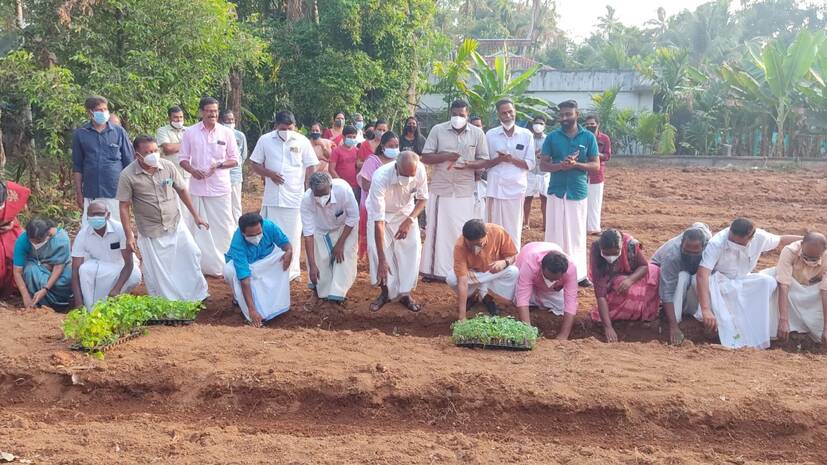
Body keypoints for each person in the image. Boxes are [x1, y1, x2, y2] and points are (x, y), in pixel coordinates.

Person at [117, 135, 209, 302]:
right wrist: (129, 236)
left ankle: (197, 296)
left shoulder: (168, 166)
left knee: (191, 255)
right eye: (148, 152)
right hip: (151, 230)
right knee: (161, 271)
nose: (153, 155)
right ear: (137, 155)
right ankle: (168, 303)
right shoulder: (127, 175)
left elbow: (182, 190)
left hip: (175, 223)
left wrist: (196, 216)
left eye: (155, 150)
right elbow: (124, 206)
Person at [696, 218, 800, 349]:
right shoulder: (717, 243)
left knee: (768, 282)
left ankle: (756, 331)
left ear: (751, 238)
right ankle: (728, 338)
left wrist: (808, 239)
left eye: (738, 242)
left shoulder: (760, 237)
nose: (734, 243)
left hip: (743, 280)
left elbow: (781, 240)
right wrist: (705, 309)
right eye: (732, 240)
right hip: (719, 283)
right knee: (731, 296)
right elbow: (702, 274)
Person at [420, 100, 491, 281]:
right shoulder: (438, 130)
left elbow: (484, 160)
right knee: (438, 232)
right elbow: (425, 157)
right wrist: (446, 156)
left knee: (463, 230)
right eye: (455, 114)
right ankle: (436, 271)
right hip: (442, 189)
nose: (458, 117)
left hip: (465, 190)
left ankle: (463, 269)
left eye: (462, 115)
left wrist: (469, 164)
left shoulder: (477, 133)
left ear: (467, 115)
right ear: (450, 113)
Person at [249, 110, 319, 281]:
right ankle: (272, 268)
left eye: (289, 128)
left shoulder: (302, 141)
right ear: (276, 126)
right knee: (271, 235)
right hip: (273, 197)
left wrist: (309, 188)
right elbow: (255, 163)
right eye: (283, 128)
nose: (286, 131)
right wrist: (269, 174)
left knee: (293, 235)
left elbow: (311, 166)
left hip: (295, 198)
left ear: (295, 126)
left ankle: (291, 271)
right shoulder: (265, 140)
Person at [539, 100, 599, 286]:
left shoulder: (588, 137)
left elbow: (595, 166)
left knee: (577, 235)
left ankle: (579, 274)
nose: (564, 118)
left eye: (568, 114)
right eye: (562, 115)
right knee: (554, 232)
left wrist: (576, 165)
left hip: (577, 191)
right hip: (556, 191)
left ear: (576, 115)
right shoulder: (552, 137)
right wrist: (560, 166)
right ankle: (550, 273)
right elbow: (543, 165)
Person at [178, 97, 239, 277]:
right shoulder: (190, 132)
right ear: (201, 112)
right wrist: (193, 170)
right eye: (209, 111)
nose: (213, 114)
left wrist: (219, 165)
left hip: (220, 188)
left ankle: (226, 266)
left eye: (215, 111)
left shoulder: (226, 133)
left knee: (224, 227)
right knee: (199, 228)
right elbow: (182, 159)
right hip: (197, 188)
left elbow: (235, 160)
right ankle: (203, 266)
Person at [365, 151, 428, 312]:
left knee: (412, 249)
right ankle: (385, 292)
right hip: (381, 214)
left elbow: (422, 199)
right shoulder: (380, 177)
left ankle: (405, 294)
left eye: (411, 175)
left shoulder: (420, 169)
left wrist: (409, 220)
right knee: (376, 251)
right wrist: (382, 259)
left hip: (406, 212)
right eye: (405, 175)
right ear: (396, 167)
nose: (409, 179)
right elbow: (378, 222)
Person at [589, 229, 661, 343]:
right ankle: (621, 314)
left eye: (615, 253)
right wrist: (608, 327)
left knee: (655, 271)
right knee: (620, 283)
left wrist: (630, 280)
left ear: (621, 246)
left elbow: (644, 266)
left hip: (632, 276)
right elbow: (600, 293)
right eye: (606, 254)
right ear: (601, 249)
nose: (611, 257)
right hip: (613, 282)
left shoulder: (630, 245)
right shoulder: (596, 250)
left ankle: (645, 314)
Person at [72, 95, 134, 226]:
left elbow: (129, 162)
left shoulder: (119, 132)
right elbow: (77, 166)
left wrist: (132, 189)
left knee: (117, 226)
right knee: (91, 228)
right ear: (90, 112)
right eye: (99, 110)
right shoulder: (81, 134)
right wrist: (79, 193)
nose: (104, 112)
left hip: (115, 191)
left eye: (105, 109)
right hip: (92, 191)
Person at [224, 213, 293, 327]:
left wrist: (289, 252)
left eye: (259, 233)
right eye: (251, 235)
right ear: (243, 233)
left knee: (282, 257)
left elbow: (286, 245)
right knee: (230, 271)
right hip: (248, 264)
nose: (256, 237)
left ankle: (277, 304)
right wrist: (252, 310)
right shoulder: (238, 242)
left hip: (265, 260)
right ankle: (240, 302)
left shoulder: (269, 226)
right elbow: (244, 279)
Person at [70, 201, 142, 311]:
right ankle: (89, 309)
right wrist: (78, 302)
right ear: (87, 216)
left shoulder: (120, 230)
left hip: (121, 269)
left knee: (134, 275)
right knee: (84, 270)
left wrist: (116, 289)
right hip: (99, 269)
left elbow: (129, 264)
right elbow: (75, 269)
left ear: (108, 215)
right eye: (92, 214)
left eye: (99, 214)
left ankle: (115, 301)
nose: (96, 217)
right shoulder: (83, 235)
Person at [301, 172, 359, 307]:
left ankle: (337, 295)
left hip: (345, 227)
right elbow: (308, 235)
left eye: (324, 194)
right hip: (320, 229)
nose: (321, 198)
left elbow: (353, 217)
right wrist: (312, 264)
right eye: (317, 195)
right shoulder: (307, 200)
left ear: (331, 187)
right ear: (311, 191)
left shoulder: (343, 190)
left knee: (343, 259)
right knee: (318, 262)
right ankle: (317, 293)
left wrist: (340, 244)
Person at [484, 99, 535, 250]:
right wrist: (499, 159)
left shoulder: (526, 135)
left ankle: (513, 258)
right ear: (498, 115)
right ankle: (494, 257)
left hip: (516, 188)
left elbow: (530, 163)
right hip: (495, 188)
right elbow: (485, 162)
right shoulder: (491, 135)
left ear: (515, 112)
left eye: (510, 112)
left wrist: (511, 159)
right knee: (494, 227)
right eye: (504, 113)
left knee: (514, 227)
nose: (507, 115)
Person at [650, 223, 712, 345]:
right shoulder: (672, 255)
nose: (691, 255)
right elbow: (667, 291)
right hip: (669, 280)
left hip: (692, 280)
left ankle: (695, 315)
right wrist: (673, 326)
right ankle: (674, 315)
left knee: (699, 278)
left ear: (703, 247)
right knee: (683, 276)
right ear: (681, 244)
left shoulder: (710, 249)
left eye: (695, 252)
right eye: (686, 251)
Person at [447, 220, 518, 321]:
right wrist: (462, 316)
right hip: (474, 273)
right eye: (471, 245)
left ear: (486, 234)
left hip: (493, 271)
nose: (475, 248)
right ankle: (472, 296)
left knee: (513, 272)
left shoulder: (498, 232)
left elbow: (513, 256)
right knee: (452, 278)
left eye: (479, 244)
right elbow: (462, 282)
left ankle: (488, 296)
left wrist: (504, 262)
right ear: (465, 238)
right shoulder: (460, 246)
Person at [765, 232, 827, 344]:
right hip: (789, 286)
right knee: (769, 282)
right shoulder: (789, 251)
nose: (809, 261)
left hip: (812, 290)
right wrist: (783, 320)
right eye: (806, 256)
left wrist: (826, 328)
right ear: (802, 244)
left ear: (824, 251)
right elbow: (784, 285)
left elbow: (825, 291)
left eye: (814, 259)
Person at [513, 242, 578, 338]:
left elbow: (571, 302)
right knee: (515, 298)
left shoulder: (571, 269)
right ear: (541, 267)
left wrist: (564, 334)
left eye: (555, 279)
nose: (551, 281)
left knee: (562, 305)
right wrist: (527, 331)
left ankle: (536, 302)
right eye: (548, 278)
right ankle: (534, 303)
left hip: (550, 290)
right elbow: (522, 297)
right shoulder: (530, 263)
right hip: (527, 274)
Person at [12, 217, 72, 309]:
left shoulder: (61, 239)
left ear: (48, 234)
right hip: (38, 271)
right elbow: (17, 271)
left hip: (59, 272)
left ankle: (61, 305)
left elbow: (59, 267)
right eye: (32, 241)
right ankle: (36, 303)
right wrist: (25, 296)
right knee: (29, 269)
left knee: (66, 280)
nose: (35, 244)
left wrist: (45, 289)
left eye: (38, 241)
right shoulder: (22, 241)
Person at [357, 131, 399, 258]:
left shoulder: (399, 161)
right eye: (390, 146)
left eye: (396, 146)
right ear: (382, 146)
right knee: (373, 239)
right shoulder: (372, 161)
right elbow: (365, 185)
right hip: (373, 206)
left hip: (392, 207)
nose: (394, 149)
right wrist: (383, 188)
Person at [0, 180, 31, 295]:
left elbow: (13, 212)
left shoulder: (10, 191)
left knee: (17, 250)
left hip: (9, 231)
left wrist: (11, 222)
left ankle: (14, 286)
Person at [219, 109, 249, 224]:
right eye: (227, 120)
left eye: (232, 120)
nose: (230, 122)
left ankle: (237, 227)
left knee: (236, 204)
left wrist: (235, 165)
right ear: (221, 121)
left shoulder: (240, 136)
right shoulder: (218, 135)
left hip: (235, 175)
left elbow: (243, 155)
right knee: (223, 204)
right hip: (220, 175)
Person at [584, 115, 612, 234]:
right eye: (587, 124)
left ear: (598, 124)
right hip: (582, 173)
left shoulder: (604, 138)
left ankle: (594, 228)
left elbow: (607, 156)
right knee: (582, 202)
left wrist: (595, 154)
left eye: (592, 124)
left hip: (597, 174)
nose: (590, 126)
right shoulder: (583, 137)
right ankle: (583, 226)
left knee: (595, 202)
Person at [523, 115, 549, 230]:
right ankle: (526, 223)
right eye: (536, 123)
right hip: (531, 172)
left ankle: (546, 224)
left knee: (545, 198)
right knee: (528, 198)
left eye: (541, 123)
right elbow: (523, 154)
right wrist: (533, 154)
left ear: (544, 126)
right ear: (532, 125)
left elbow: (552, 154)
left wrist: (544, 156)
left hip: (544, 172)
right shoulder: (528, 139)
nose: (538, 125)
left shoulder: (548, 139)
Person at [156, 106, 189, 180]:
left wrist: (175, 146)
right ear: (169, 118)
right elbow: (168, 148)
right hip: (170, 174)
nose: (179, 120)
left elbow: (196, 147)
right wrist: (187, 144)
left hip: (187, 173)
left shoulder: (189, 130)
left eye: (181, 117)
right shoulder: (162, 131)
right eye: (175, 117)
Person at [329, 125, 361, 199]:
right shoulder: (336, 151)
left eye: (354, 137)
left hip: (355, 186)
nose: (352, 139)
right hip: (341, 186)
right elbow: (331, 169)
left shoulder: (357, 151)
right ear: (343, 137)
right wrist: (341, 183)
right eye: (349, 137)